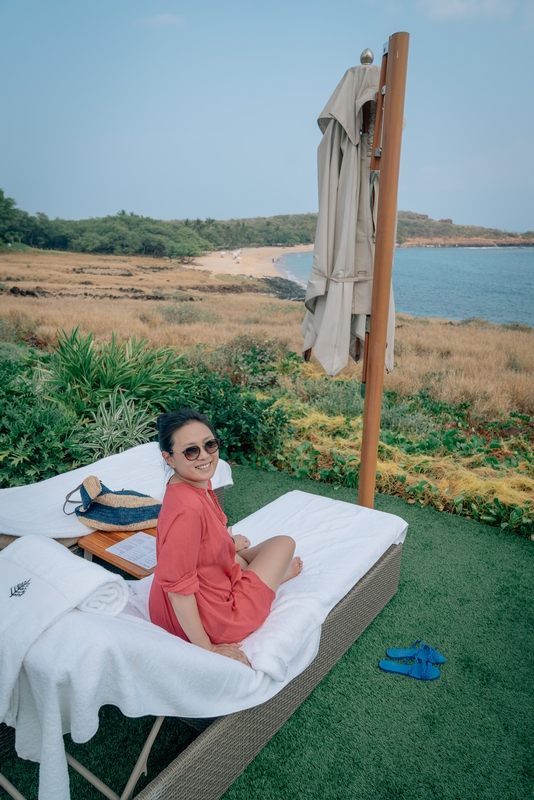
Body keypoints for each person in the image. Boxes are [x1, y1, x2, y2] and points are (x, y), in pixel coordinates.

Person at [149, 409, 303, 666]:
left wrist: (228, 546)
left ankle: (249, 567)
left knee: (237, 550)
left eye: (209, 445)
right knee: (284, 543)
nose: (205, 456)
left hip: (172, 605)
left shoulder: (193, 485)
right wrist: (208, 648)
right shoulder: (187, 510)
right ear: (169, 459)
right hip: (210, 621)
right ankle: (273, 582)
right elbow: (178, 592)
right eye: (191, 451)